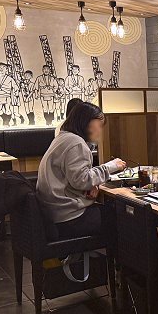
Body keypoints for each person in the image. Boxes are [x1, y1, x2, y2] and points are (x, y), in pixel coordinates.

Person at [36, 102, 125, 239]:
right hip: (68, 218)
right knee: (122, 217)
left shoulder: (63, 137)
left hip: (52, 213)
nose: (100, 130)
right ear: (87, 122)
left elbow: (75, 177)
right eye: (99, 124)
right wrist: (112, 166)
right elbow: (82, 180)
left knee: (112, 212)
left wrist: (92, 185)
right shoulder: (75, 142)